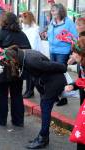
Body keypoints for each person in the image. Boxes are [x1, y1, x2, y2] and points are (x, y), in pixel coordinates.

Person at [5, 47, 67, 149]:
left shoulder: (31, 60)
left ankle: (43, 138)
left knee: (45, 108)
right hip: (48, 82)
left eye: (9, 61)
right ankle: (43, 137)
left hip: (55, 82)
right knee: (44, 107)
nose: (9, 63)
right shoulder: (23, 55)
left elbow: (53, 66)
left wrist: (63, 67)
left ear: (14, 58)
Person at [0, 12, 31, 127]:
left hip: (1, 69)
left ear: (3, 21)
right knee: (17, 95)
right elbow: (28, 50)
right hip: (17, 69)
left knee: (1, 96)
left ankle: (2, 120)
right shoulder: (21, 35)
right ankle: (18, 121)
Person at [47, 3, 78, 106]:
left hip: (63, 52)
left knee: (60, 75)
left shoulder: (68, 22)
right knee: (53, 74)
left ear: (60, 11)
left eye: (54, 10)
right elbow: (51, 34)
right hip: (52, 51)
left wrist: (72, 51)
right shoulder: (52, 22)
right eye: (52, 11)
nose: (52, 12)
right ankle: (57, 94)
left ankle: (64, 97)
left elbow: (75, 38)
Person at [67, 17, 85, 150]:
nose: (73, 55)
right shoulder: (82, 63)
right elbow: (82, 80)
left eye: (75, 53)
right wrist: (73, 85)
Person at [21, 11, 43, 98]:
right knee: (28, 73)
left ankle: (30, 90)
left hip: (32, 53)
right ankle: (28, 90)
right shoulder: (26, 28)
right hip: (27, 53)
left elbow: (33, 44)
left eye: (23, 18)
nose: (21, 20)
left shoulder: (33, 30)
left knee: (32, 74)